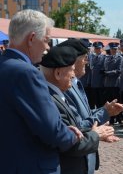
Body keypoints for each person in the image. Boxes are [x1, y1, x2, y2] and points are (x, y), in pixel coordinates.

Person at [0, 9, 82, 173]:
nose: (47, 47)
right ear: (31, 39)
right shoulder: (27, 73)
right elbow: (52, 131)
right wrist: (72, 135)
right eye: (46, 40)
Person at [40, 45, 114, 174]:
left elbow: (76, 127)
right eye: (72, 70)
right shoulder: (49, 100)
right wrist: (96, 135)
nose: (74, 75)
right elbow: (68, 144)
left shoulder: (58, 95)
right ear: (58, 73)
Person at [104, 42, 123, 124]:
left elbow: (119, 70)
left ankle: (118, 117)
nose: (113, 51)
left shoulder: (120, 58)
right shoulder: (108, 58)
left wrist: (108, 73)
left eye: (115, 49)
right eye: (112, 49)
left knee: (116, 101)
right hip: (108, 83)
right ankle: (111, 117)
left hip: (116, 83)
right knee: (109, 101)